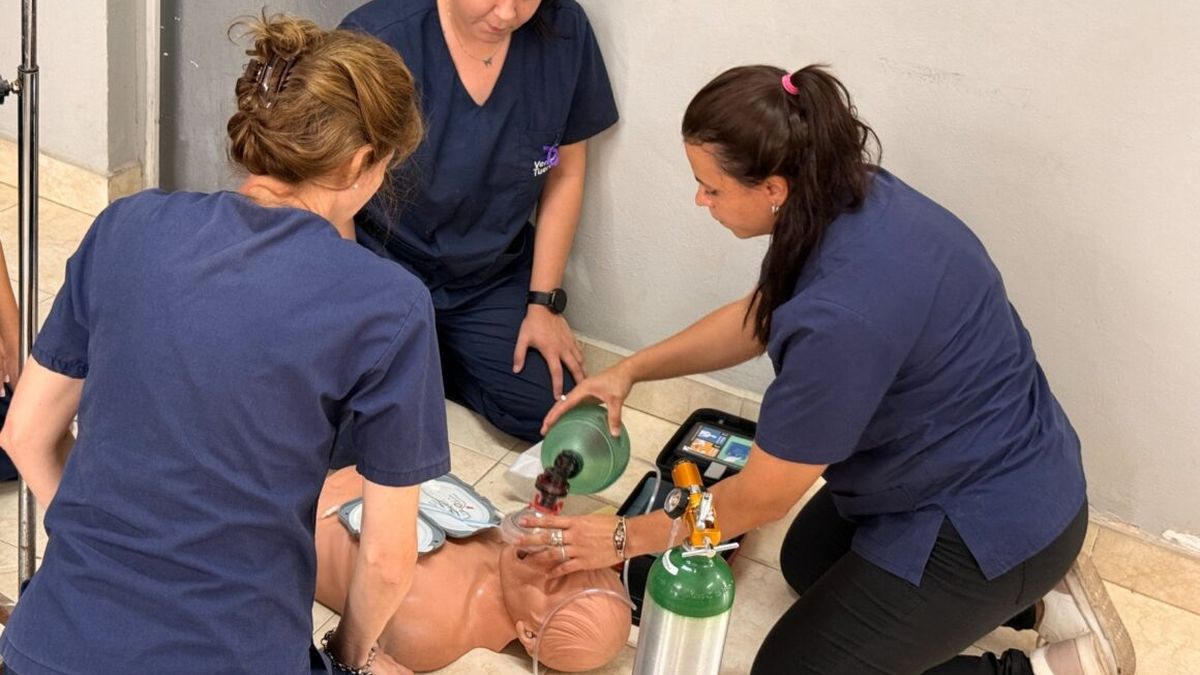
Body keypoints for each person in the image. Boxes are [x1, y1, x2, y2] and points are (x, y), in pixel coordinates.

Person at [521, 65, 1136, 675]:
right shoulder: (846, 193)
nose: (700, 200)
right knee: (809, 565)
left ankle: (1046, 656)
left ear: (773, 190)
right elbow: (760, 314)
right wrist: (631, 370)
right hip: (973, 455)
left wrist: (627, 537)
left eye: (711, 188)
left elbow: (758, 498)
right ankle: (1033, 600)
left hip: (993, 514)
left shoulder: (842, 320)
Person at [0, 14, 449, 675]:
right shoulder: (388, 303)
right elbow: (386, 558)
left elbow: (24, 434)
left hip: (50, 649)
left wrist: (117, 553)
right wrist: (348, 659)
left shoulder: (127, 225)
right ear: (361, 163)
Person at [339, 0, 618, 442]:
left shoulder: (564, 30)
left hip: (488, 274)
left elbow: (565, 171)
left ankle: (435, 356)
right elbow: (332, 188)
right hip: (383, 263)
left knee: (552, 412)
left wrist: (542, 304)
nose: (507, 14)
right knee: (356, 421)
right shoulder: (379, 35)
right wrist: (353, 306)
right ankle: (422, 354)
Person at [315, 466, 631, 673]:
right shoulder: (500, 546)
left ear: (529, 632)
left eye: (554, 582)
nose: (550, 555)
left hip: (293, 508)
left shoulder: (435, 629)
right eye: (571, 559)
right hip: (341, 462)